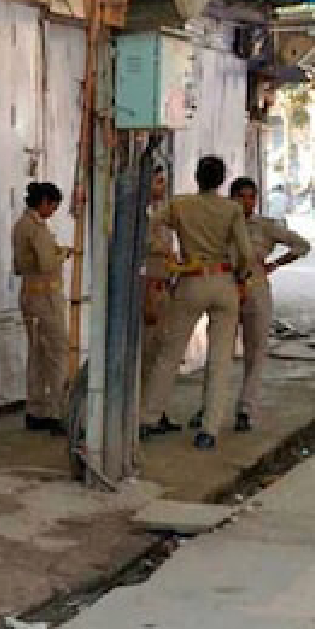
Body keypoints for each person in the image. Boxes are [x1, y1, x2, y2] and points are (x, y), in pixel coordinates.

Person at [140, 156, 254, 450]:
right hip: (224, 280)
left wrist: (164, 251)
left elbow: (149, 224)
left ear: (196, 177)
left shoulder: (180, 205)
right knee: (220, 359)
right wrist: (241, 276)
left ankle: (148, 418)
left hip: (191, 279)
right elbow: (245, 253)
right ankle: (209, 429)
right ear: (222, 180)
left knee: (169, 353)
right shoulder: (231, 209)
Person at [227, 177, 308, 432]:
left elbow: (302, 245)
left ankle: (246, 407)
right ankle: (210, 406)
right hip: (226, 286)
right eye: (241, 196)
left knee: (256, 351)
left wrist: (275, 264)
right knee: (221, 351)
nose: (247, 202)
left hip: (256, 286)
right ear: (232, 198)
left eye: (251, 197)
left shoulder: (265, 226)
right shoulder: (222, 222)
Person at [11, 182, 71, 437]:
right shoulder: (35, 228)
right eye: (53, 206)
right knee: (56, 353)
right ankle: (58, 411)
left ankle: (35, 410)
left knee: (36, 354)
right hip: (46, 297)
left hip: (30, 294)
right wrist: (63, 254)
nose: (53, 211)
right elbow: (47, 263)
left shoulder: (21, 225)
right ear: (44, 202)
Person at [139, 166, 181, 438]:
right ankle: (143, 413)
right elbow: (142, 261)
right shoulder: (140, 218)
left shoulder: (162, 217)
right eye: (157, 182)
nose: (161, 187)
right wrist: (148, 298)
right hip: (150, 288)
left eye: (163, 182)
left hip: (165, 286)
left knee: (160, 352)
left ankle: (156, 410)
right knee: (147, 354)